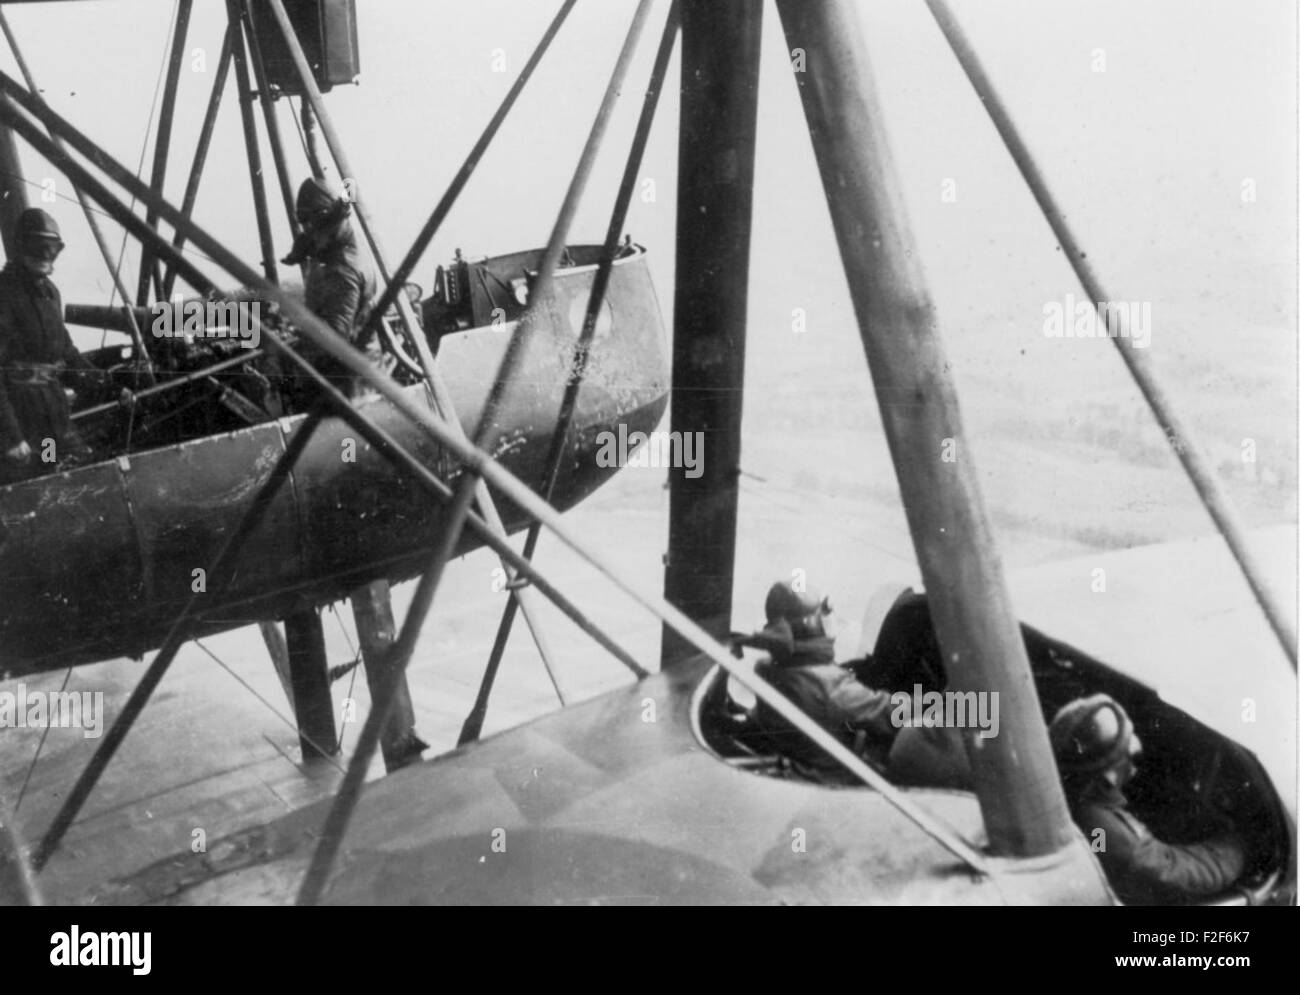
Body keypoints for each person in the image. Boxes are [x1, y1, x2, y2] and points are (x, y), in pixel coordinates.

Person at [1050, 693, 1247, 904]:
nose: (1137, 747)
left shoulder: (1061, 776)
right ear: (1109, 775)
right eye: (1130, 756)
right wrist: (1235, 848)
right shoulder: (1101, 831)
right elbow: (1169, 873)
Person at [749, 581, 901, 771]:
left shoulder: (768, 667)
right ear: (811, 623)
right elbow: (892, 714)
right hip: (838, 778)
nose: (831, 616)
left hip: (803, 764)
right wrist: (943, 702)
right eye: (826, 610)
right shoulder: (829, 686)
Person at [0, 208, 101, 486]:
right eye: (38, 246)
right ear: (21, 246)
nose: (46, 255)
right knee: (36, 486)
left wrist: (111, 386)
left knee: (65, 473)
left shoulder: (49, 293)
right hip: (23, 422)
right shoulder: (5, 294)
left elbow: (66, 353)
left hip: (51, 417)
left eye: (53, 248)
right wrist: (11, 437)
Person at [279, 177, 377, 406]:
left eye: (314, 227)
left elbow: (334, 338)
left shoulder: (342, 270)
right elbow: (317, 237)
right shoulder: (341, 245)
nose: (312, 234)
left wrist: (290, 346)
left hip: (349, 390)